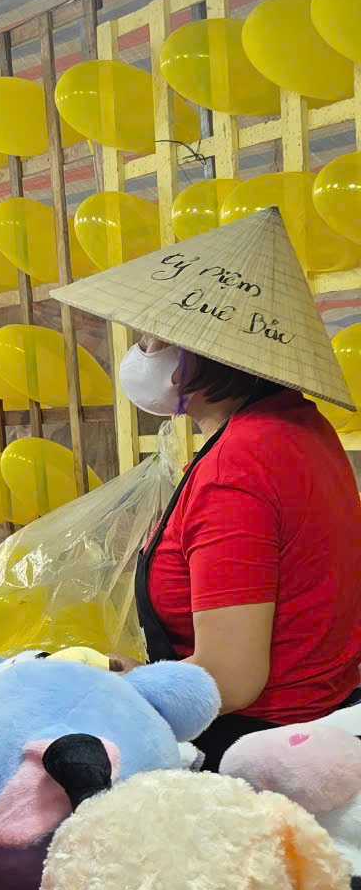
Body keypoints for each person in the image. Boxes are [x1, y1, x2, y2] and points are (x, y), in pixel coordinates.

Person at [127, 326, 361, 765]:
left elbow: (230, 679)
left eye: (153, 340)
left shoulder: (236, 465)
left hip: (256, 751)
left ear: (201, 351)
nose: (141, 353)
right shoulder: (299, 422)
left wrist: (126, 689)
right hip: (321, 726)